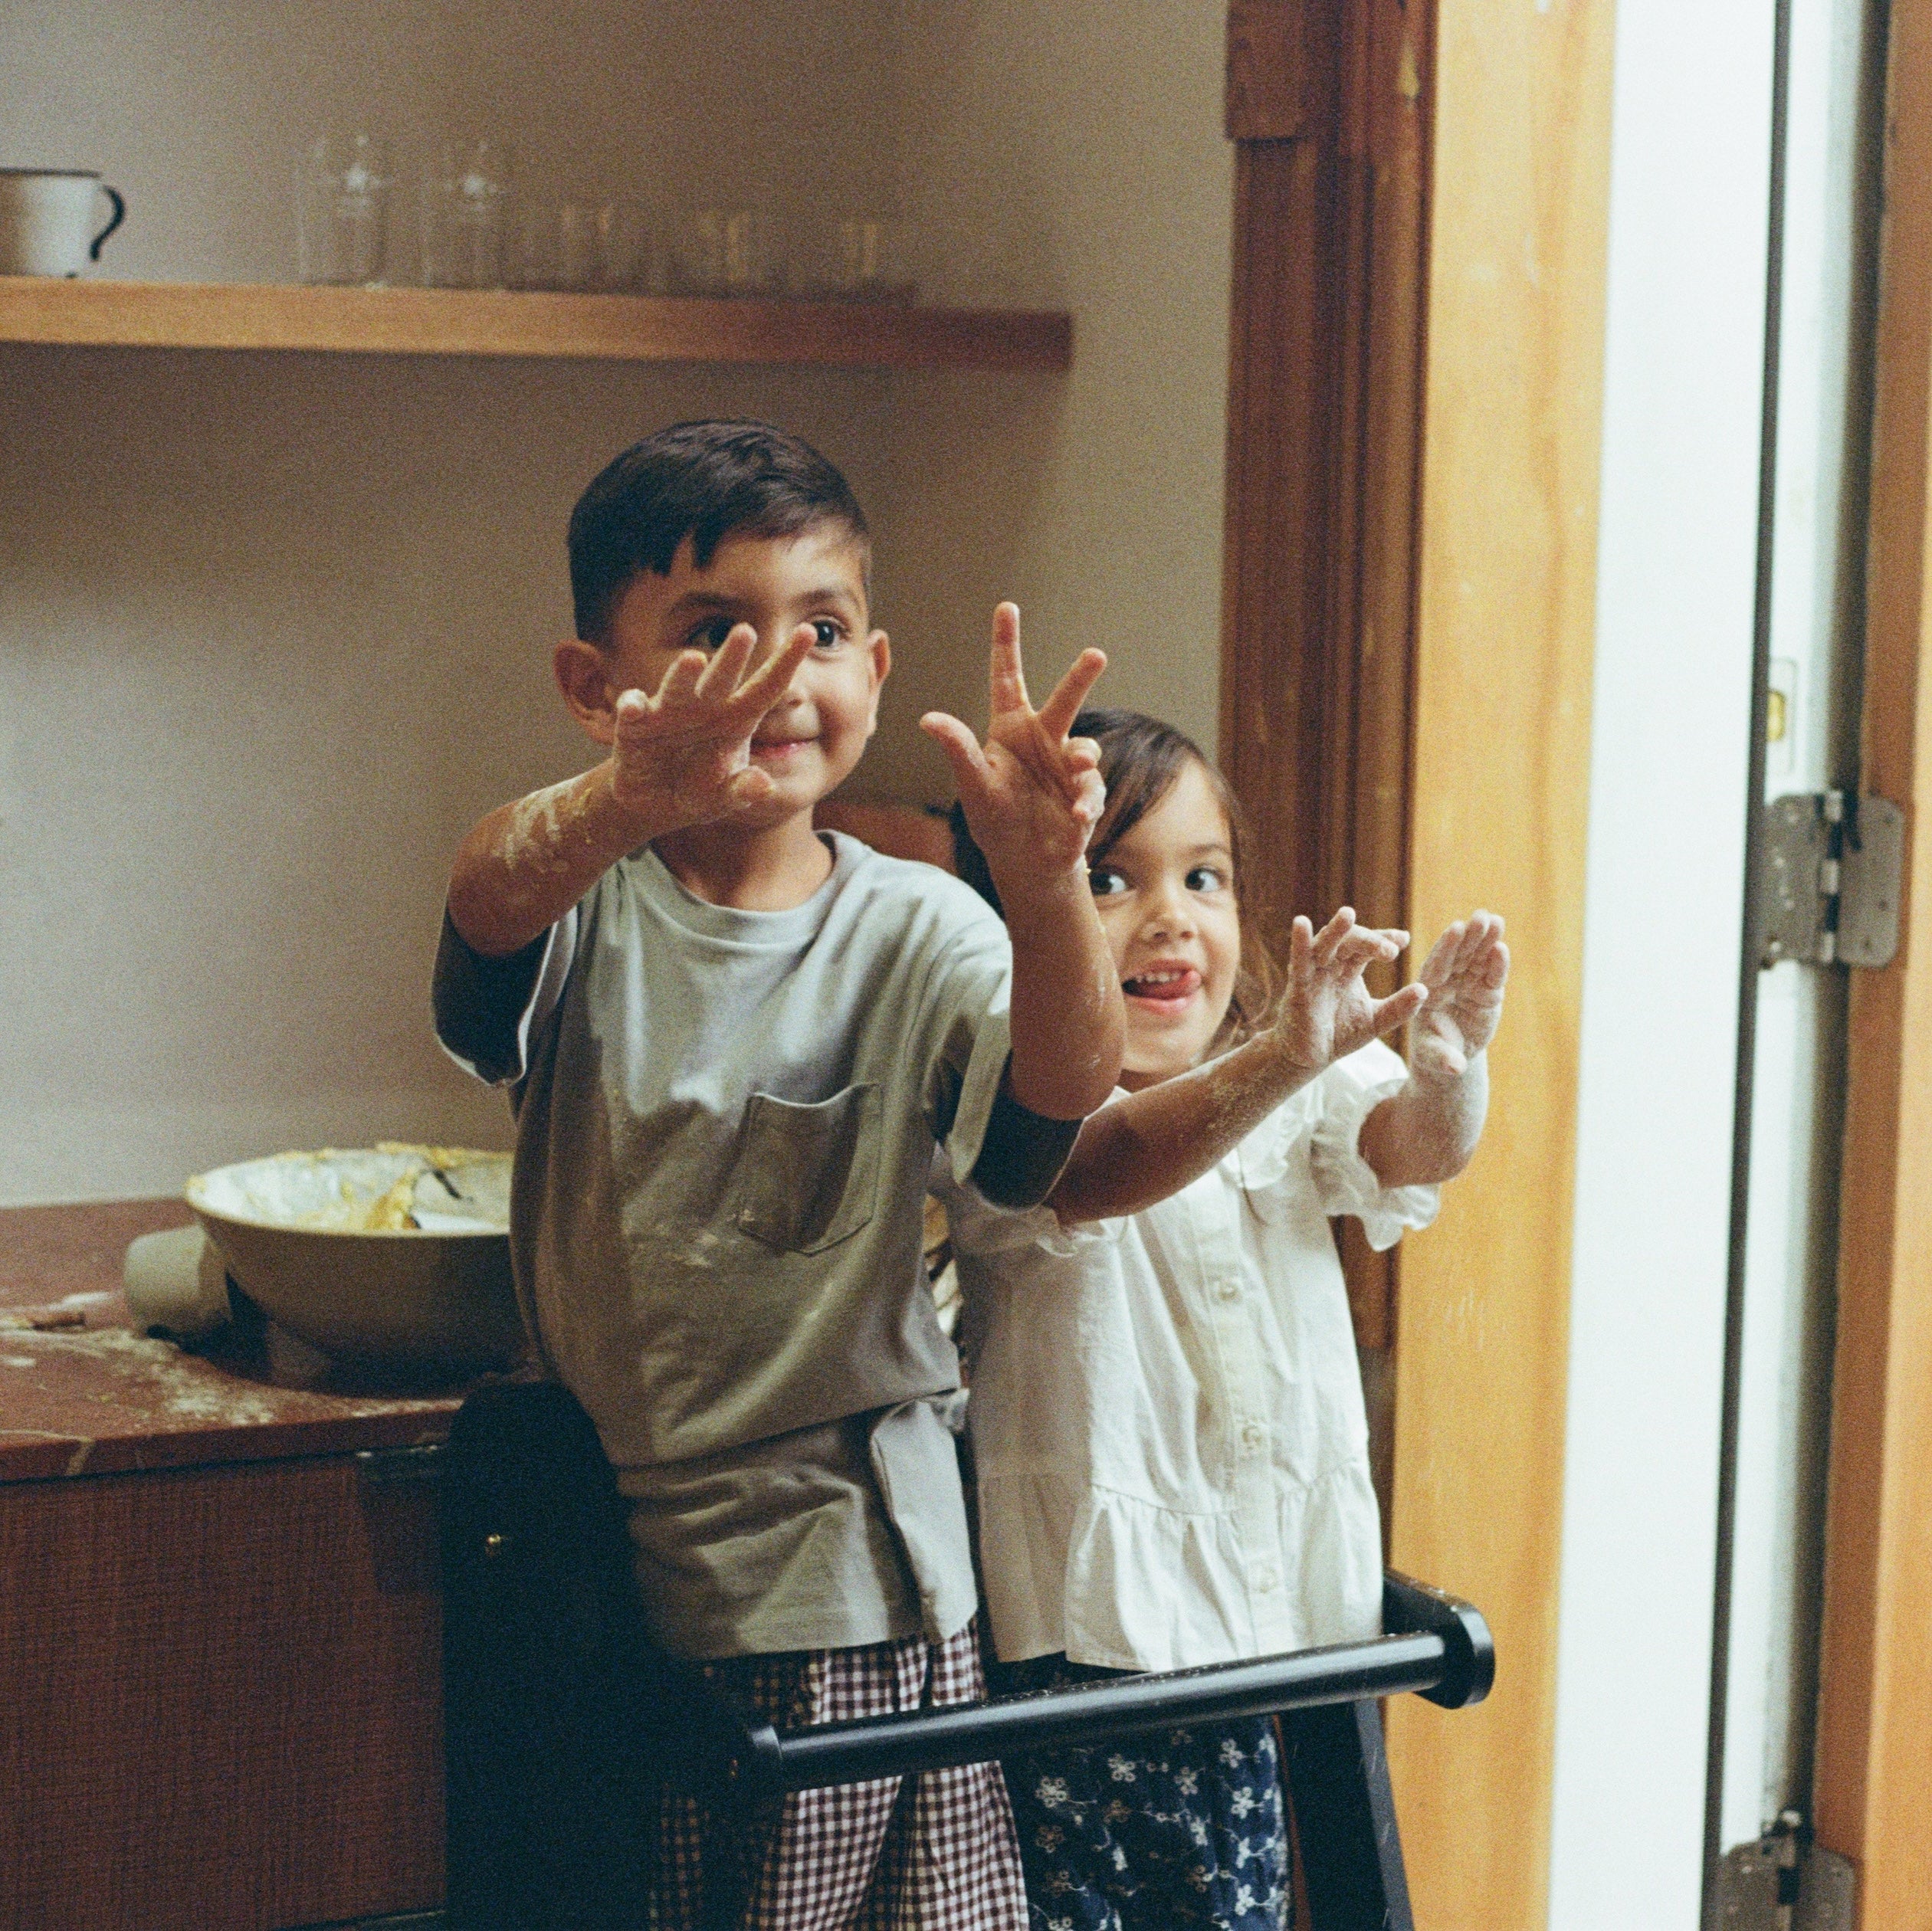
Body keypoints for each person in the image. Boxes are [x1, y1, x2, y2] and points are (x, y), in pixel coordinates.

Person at [431, 418, 1126, 1929]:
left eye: (819, 629)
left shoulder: (919, 927)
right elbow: (483, 898)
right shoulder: (584, 900)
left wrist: (1048, 885)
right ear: (593, 687)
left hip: (839, 1587)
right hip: (599, 1564)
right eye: (712, 633)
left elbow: (1049, 1112)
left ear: (874, 672)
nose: (774, 674)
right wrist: (627, 793)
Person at [943, 709, 1509, 1931]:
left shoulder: (1294, 1076)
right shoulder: (1020, 1121)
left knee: (1237, 1904)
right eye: (1109, 879)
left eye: (1203, 877)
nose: (1170, 915)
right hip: (1098, 1636)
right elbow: (1043, 1198)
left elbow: (1405, 1149)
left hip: (1264, 1613)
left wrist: (1446, 1071)